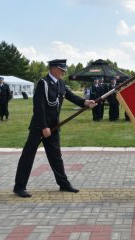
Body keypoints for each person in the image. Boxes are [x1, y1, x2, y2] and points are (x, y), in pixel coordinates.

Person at [13, 59, 96, 198]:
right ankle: (19, 187)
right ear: (53, 69)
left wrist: (85, 102)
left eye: (64, 70)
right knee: (28, 156)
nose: (63, 72)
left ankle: (63, 184)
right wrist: (43, 126)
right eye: (61, 69)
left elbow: (71, 96)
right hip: (39, 126)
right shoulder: (43, 83)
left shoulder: (60, 83)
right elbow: (38, 108)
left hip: (54, 126)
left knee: (56, 156)